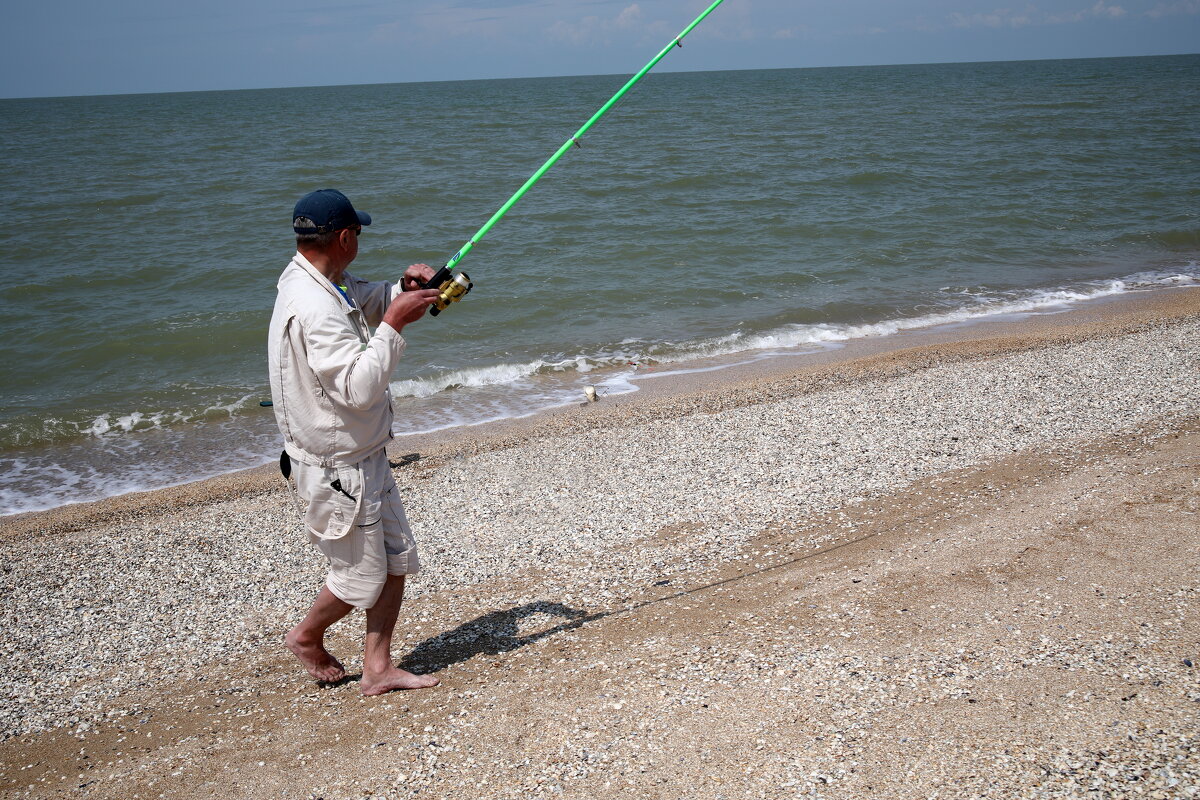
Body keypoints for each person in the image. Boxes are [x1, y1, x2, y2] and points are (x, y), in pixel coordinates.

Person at [268, 188, 442, 695]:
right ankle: (305, 636)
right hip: (336, 466)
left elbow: (362, 300)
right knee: (358, 578)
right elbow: (358, 389)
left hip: (364, 452)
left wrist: (403, 291)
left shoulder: (322, 278)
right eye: (358, 233)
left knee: (396, 559)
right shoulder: (312, 305)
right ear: (344, 237)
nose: (359, 240)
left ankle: (377, 668)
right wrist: (394, 323)